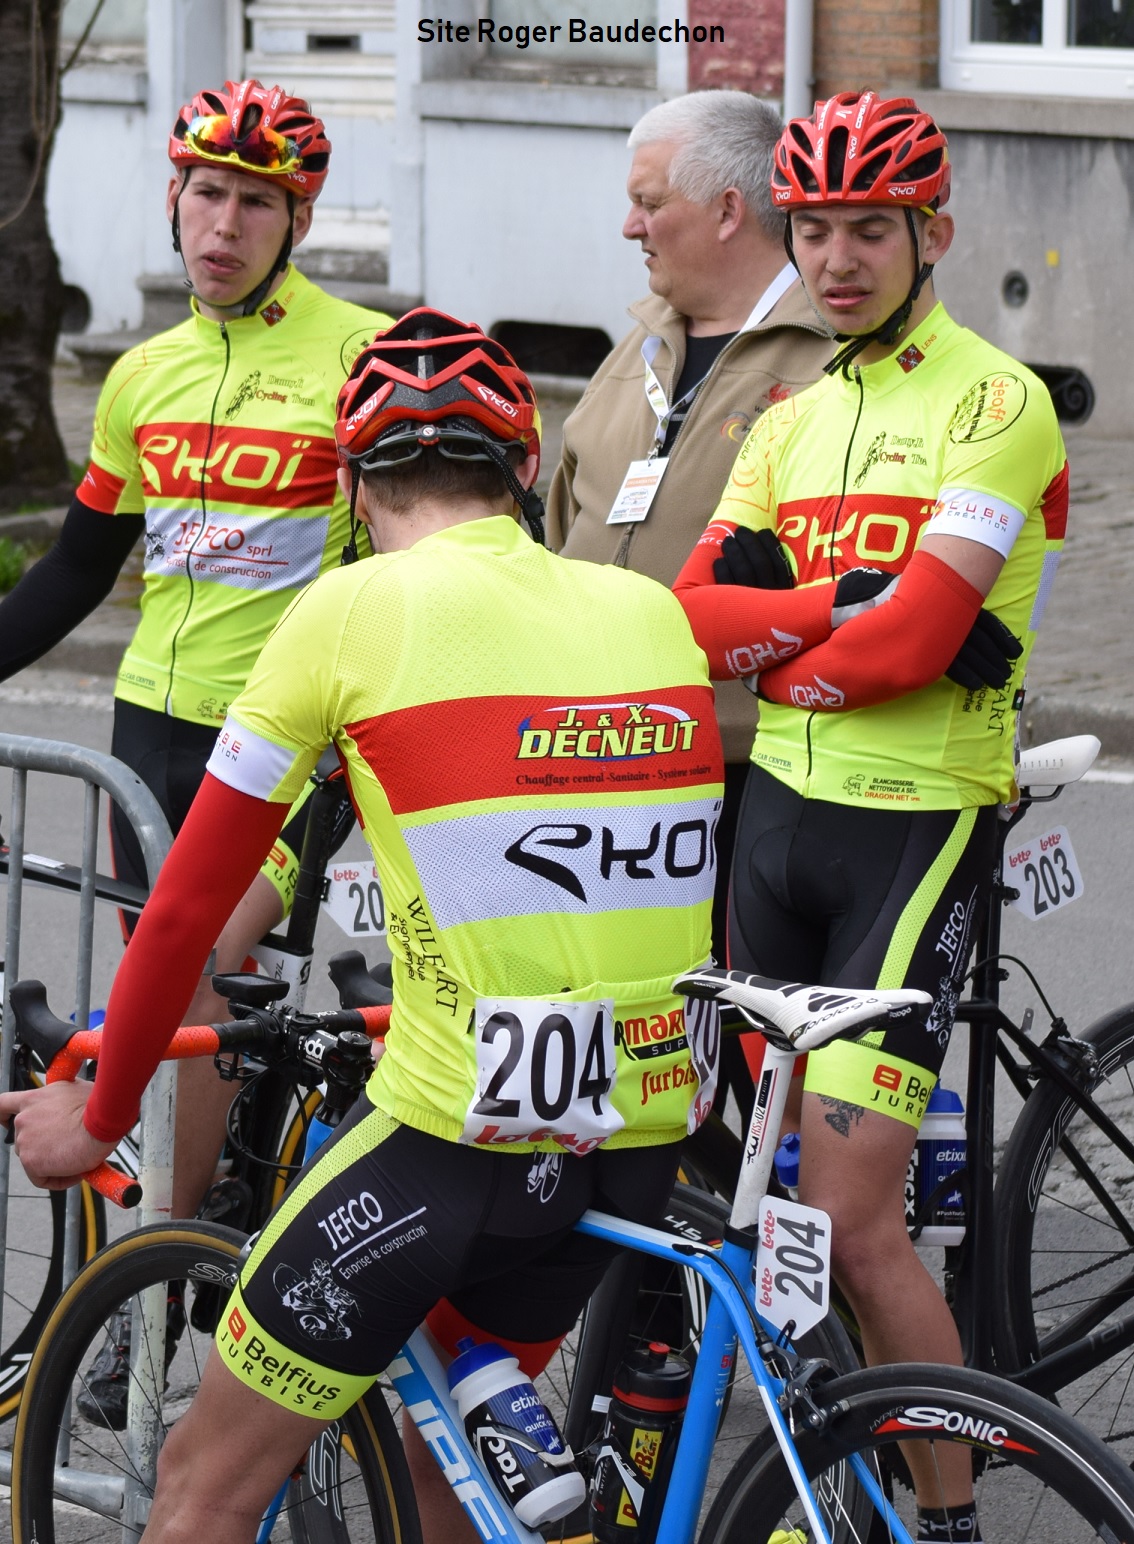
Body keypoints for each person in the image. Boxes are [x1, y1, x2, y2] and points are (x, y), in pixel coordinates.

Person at [0, 310, 725, 1544]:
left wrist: (103, 1112)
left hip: (455, 1145)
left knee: (202, 1483)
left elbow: (185, 907)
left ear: (350, 482)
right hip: (638, 1133)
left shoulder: (347, 609)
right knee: (447, 1468)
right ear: (529, 464)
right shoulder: (647, 609)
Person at [671, 91, 1067, 1541]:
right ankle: (818, 1475)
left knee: (851, 1217)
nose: (836, 260)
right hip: (776, 820)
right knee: (763, 1193)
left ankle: (947, 1515)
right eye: (816, 231)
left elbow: (909, 653)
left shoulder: (994, 403)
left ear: (931, 234)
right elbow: (691, 620)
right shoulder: (787, 419)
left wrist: (791, 638)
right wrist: (842, 608)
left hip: (913, 828)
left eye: (870, 231)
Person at [0, 78, 391, 1418]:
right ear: (174, 198)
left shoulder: (360, 359)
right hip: (145, 738)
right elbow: (77, 567)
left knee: (198, 990)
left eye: (255, 204)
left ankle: (151, 1297)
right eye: (207, 195)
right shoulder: (142, 373)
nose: (223, 226)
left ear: (299, 220)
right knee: (185, 1025)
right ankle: (215, 1231)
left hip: (283, 740)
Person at [548, 90, 833, 974]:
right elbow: (564, 513)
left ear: (727, 211)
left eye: (649, 201)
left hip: (738, 769)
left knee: (718, 1016)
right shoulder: (640, 340)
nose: (629, 226)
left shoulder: (830, 356)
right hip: (586, 748)